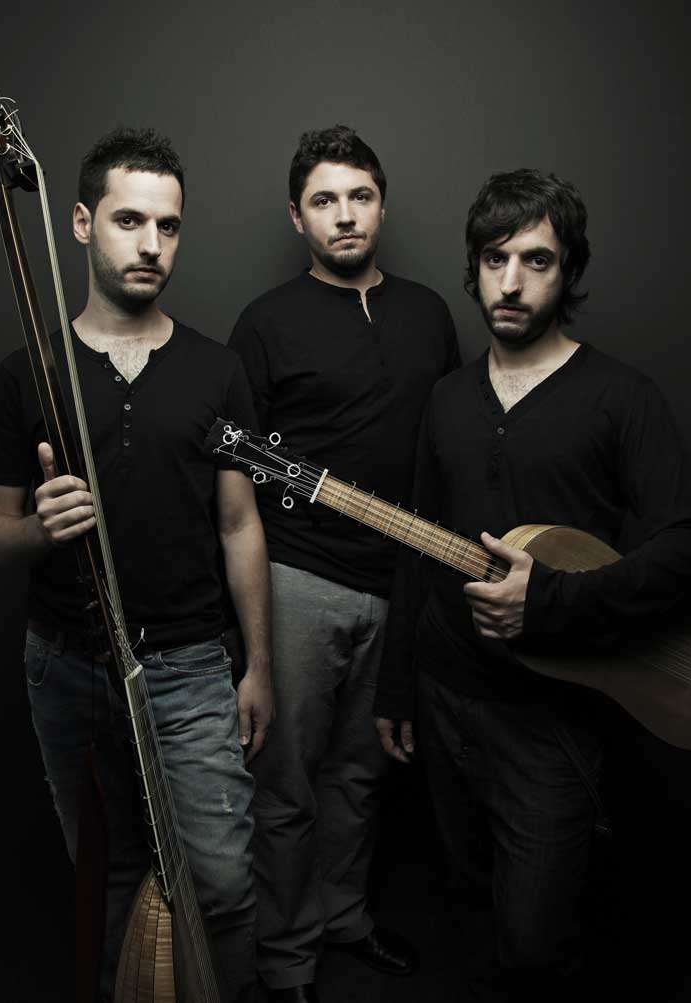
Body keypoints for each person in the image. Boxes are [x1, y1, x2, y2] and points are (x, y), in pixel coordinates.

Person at [373, 168, 691, 1001]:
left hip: (551, 719)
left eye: (537, 260)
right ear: (473, 268)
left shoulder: (620, 397)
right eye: (494, 258)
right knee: (467, 899)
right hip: (446, 699)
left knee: (536, 938)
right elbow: (418, 545)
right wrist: (397, 685)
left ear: (569, 272)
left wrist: (553, 602)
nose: (511, 281)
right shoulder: (446, 399)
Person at [0, 128, 273, 1003]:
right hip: (66, 663)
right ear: (80, 223)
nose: (152, 244)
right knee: (102, 874)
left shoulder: (219, 370)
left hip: (188, 664)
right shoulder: (27, 372)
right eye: (129, 220)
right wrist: (41, 528)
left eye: (168, 226)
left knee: (221, 882)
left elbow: (240, 523)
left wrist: (258, 665)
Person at [229, 124, 460, 1001]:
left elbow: (448, 446)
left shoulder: (430, 313)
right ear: (298, 217)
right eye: (324, 200)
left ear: (382, 206)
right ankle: (288, 956)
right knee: (286, 782)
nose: (345, 214)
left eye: (360, 196)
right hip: (298, 577)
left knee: (363, 774)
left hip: (404, 583)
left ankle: (345, 918)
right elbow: (233, 472)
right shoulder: (265, 323)